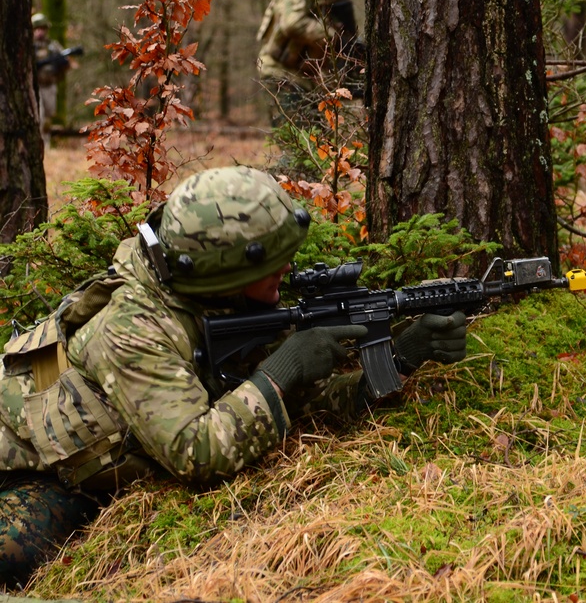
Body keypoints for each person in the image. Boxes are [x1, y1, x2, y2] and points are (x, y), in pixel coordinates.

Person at [0, 166, 467, 588]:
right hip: (28, 466)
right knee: (13, 552)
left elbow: (307, 402)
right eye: (269, 264)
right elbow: (195, 452)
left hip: (100, 456)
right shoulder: (131, 329)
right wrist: (281, 373)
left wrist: (401, 356)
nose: (287, 268)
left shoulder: (220, 300)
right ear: (221, 272)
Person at [257, 0, 366, 127]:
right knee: (301, 140)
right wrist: (333, 37)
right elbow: (292, 23)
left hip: (311, 78)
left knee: (317, 143)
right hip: (282, 74)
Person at [32, 13, 69, 147]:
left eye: (42, 28)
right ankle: (38, 143)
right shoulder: (29, 47)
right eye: (36, 29)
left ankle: (46, 143)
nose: (39, 31)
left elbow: (65, 63)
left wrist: (61, 64)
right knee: (39, 116)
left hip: (50, 85)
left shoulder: (53, 46)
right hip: (35, 87)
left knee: (48, 116)